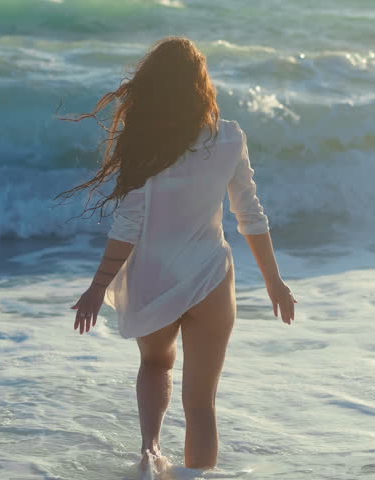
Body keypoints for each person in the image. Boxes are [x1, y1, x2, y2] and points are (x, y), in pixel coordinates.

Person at [54, 36, 297, 475]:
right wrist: (274, 281)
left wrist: (97, 287)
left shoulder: (147, 146)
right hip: (210, 278)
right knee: (201, 400)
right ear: (201, 85)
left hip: (153, 276)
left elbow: (129, 225)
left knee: (154, 363)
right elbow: (250, 214)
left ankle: (150, 453)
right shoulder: (229, 138)